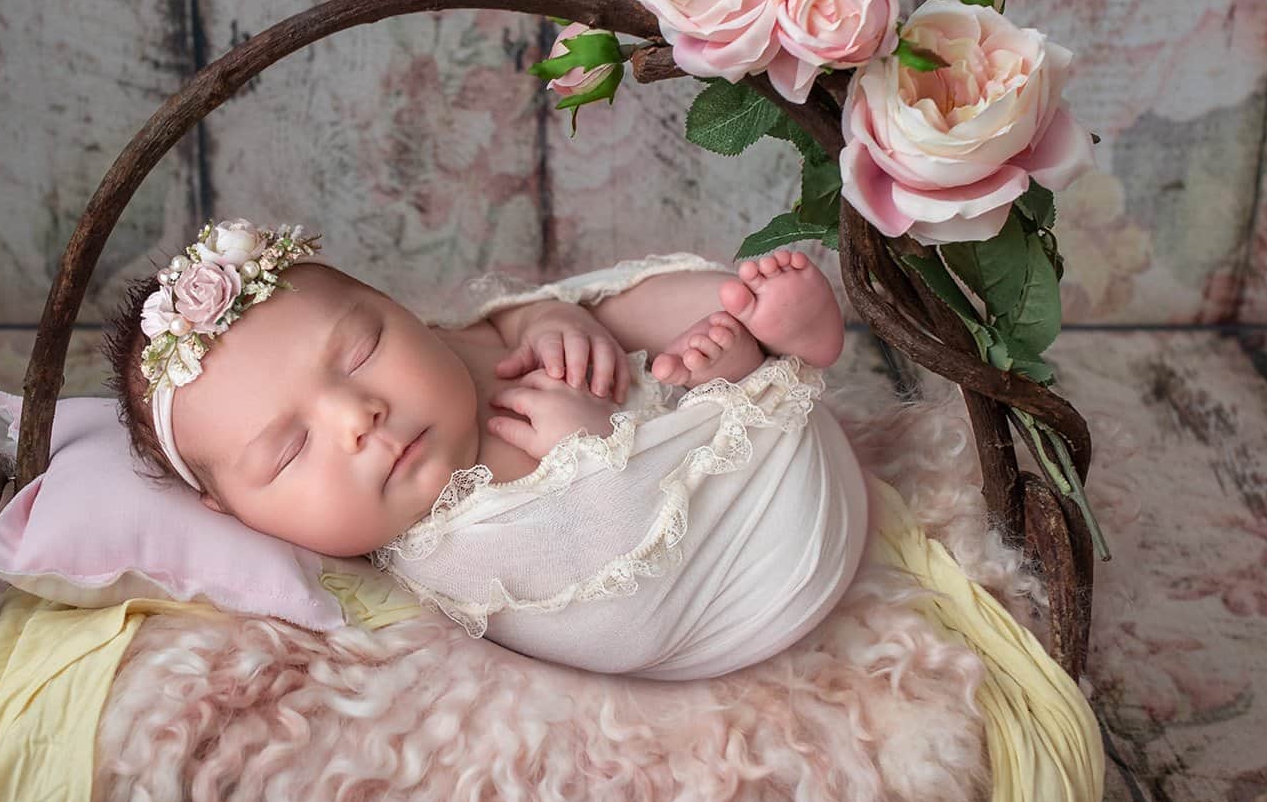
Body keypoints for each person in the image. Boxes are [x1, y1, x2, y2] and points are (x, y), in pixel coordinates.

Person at [102, 217, 871, 679]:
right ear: (237, 513)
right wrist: (590, 455)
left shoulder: (441, 354)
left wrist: (544, 324)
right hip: (755, 557)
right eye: (290, 449)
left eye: (362, 349)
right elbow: (615, 605)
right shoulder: (445, 548)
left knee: (610, 305)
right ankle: (742, 373)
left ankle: (755, 320)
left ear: (398, 308)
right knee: (665, 389)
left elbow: (495, 325)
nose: (358, 417)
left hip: (675, 404)